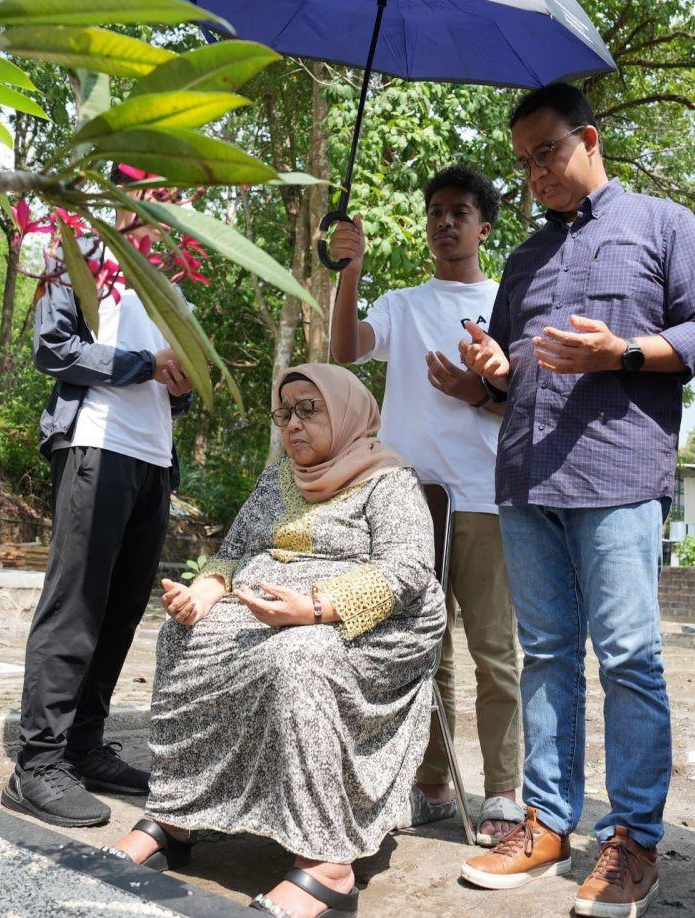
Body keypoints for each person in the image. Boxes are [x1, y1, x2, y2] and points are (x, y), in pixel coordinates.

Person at [458, 83, 695, 917]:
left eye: (547, 153)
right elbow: (506, 371)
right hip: (527, 477)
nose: (534, 174)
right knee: (546, 654)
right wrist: (493, 375)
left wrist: (625, 353)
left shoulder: (663, 225)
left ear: (590, 139)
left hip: (616, 474)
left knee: (632, 656)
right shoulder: (525, 259)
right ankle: (546, 821)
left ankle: (634, 839)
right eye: (523, 162)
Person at [104, 363, 445, 918]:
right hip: (266, 609)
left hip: (361, 622)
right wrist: (207, 589)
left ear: (348, 411)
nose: (292, 425)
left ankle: (326, 864)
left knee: (298, 658)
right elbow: (235, 550)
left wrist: (314, 609)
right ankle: (178, 814)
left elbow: (408, 570)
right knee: (183, 637)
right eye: (284, 413)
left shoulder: (389, 478)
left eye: (309, 409)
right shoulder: (280, 477)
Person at [329, 164, 523, 845]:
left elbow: (526, 399)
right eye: (436, 210)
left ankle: (503, 795)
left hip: (487, 498)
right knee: (420, 647)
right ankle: (431, 785)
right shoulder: (403, 302)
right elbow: (341, 349)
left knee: (495, 651)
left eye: (460, 211)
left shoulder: (508, 303)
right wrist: (348, 268)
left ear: (484, 226)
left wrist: (477, 387)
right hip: (408, 499)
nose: (446, 221)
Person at [1, 167, 194, 828]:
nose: (167, 204)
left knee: (120, 610)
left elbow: (182, 384)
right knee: (76, 603)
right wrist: (146, 365)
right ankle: (37, 762)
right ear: (121, 193)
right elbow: (54, 349)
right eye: (156, 190)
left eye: (173, 196)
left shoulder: (168, 282)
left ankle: (83, 747)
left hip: (153, 456)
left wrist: (183, 379)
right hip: (95, 441)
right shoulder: (79, 250)